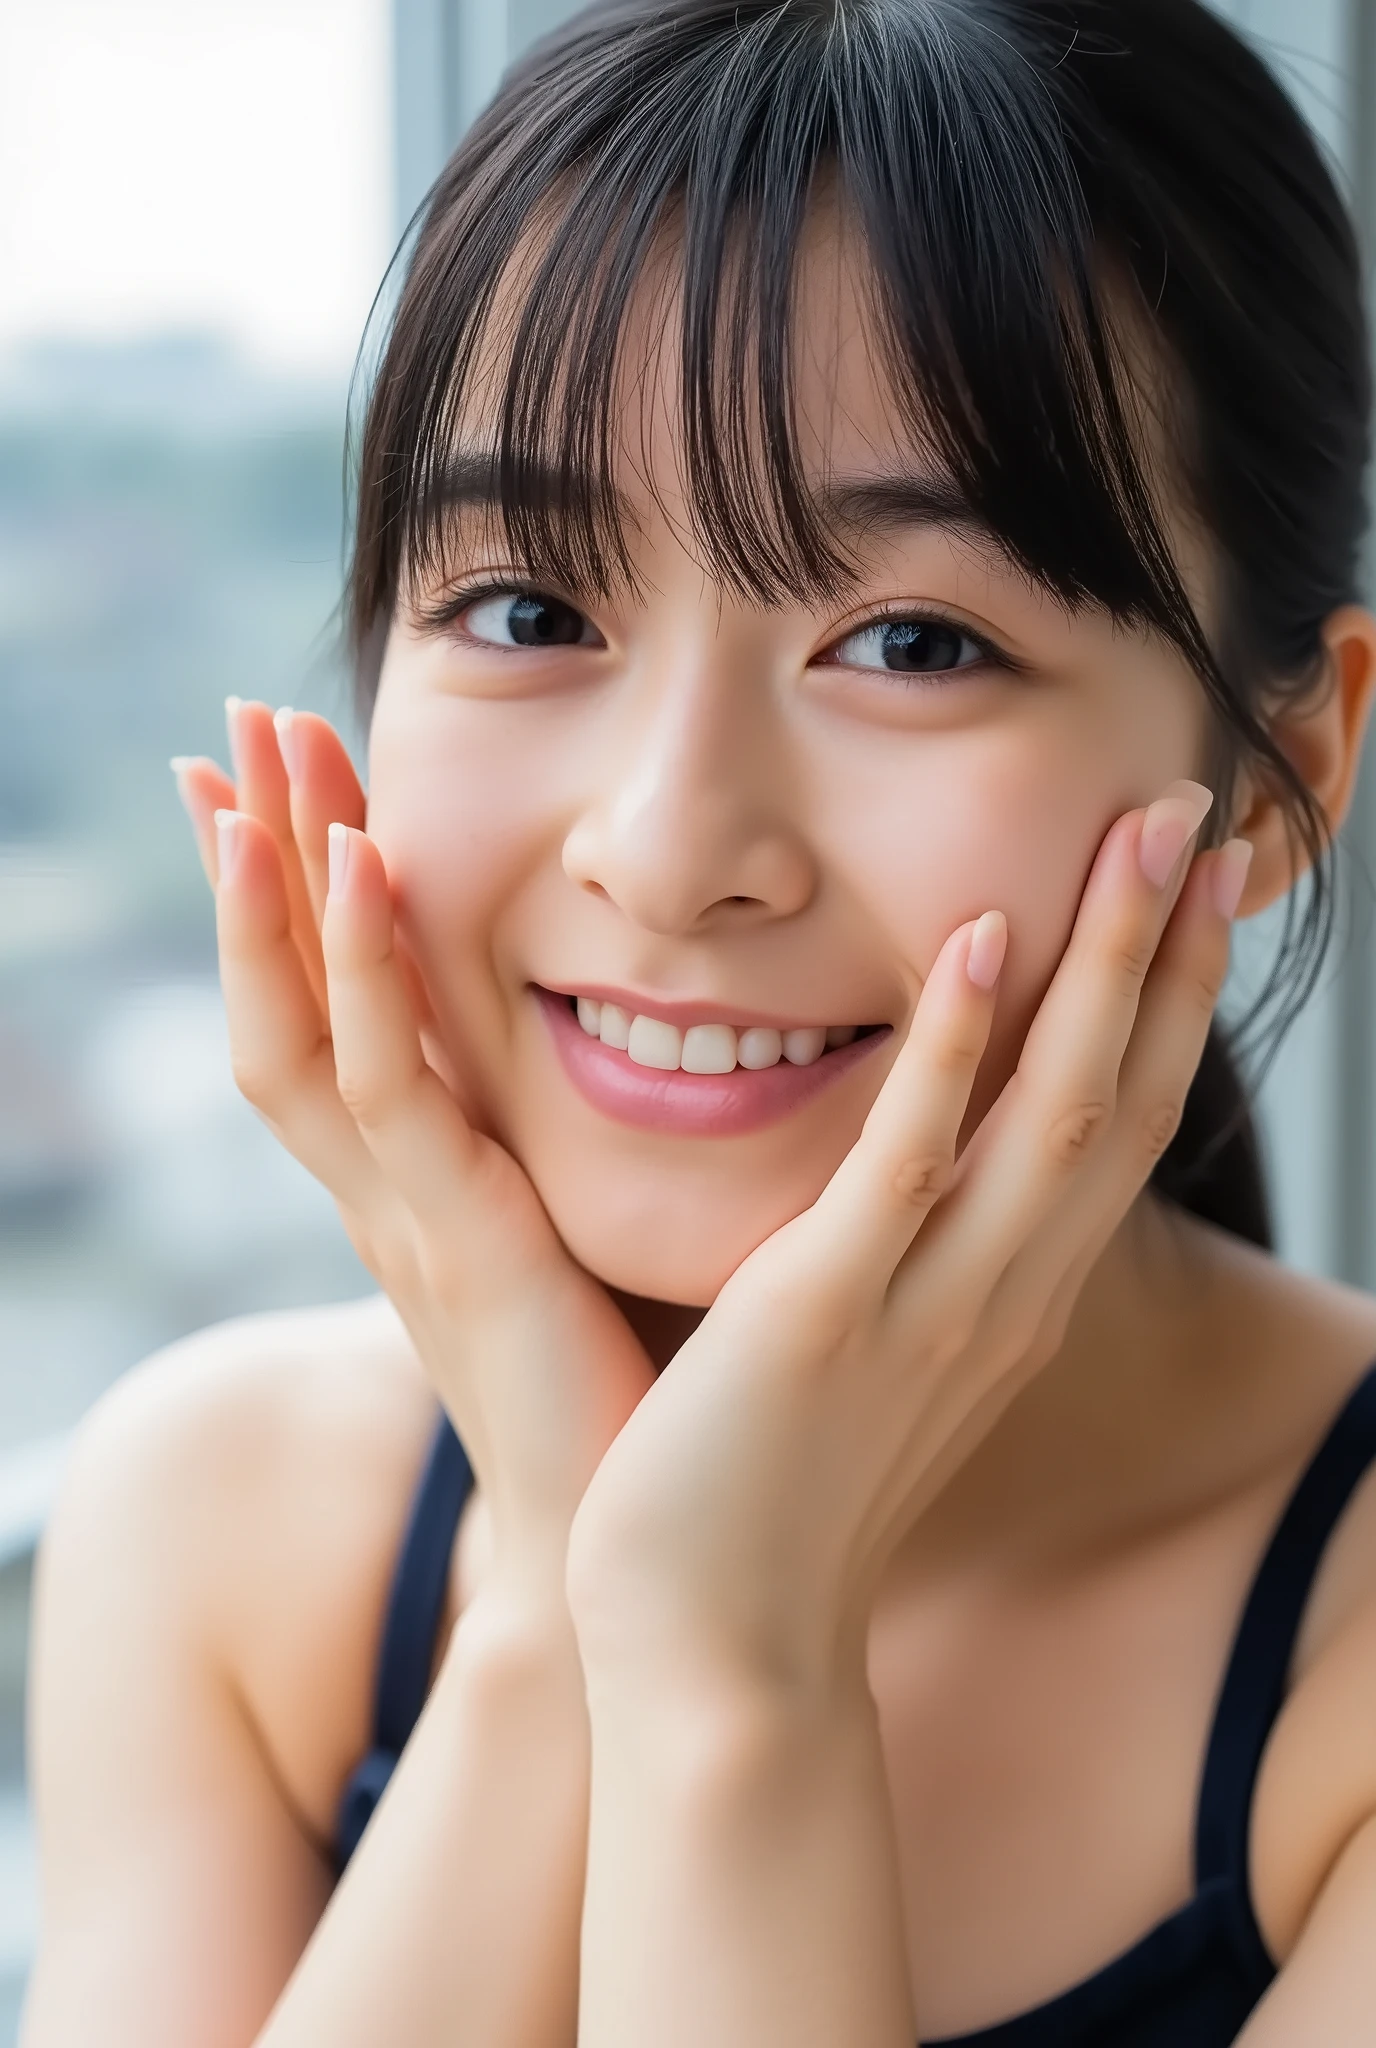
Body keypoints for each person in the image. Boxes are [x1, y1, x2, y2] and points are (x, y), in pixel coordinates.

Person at [21, 1, 1376, 2041]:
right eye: (528, 611)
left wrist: (725, 1655)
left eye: (911, 642)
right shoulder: (217, 1522)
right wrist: (558, 1596)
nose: (664, 853)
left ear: (1277, 777)